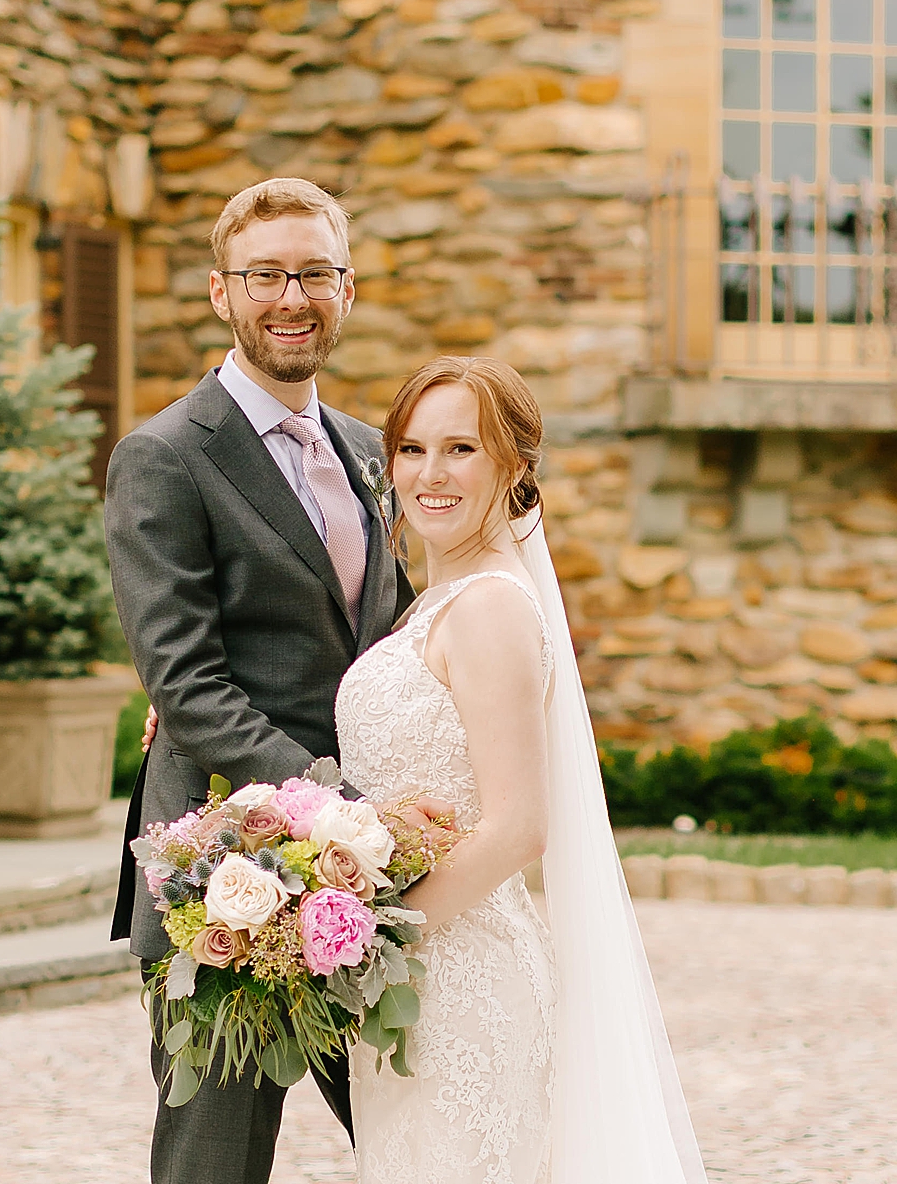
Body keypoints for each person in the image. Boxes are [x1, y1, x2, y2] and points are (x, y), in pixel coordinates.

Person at [103, 177, 449, 1184]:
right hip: (223, 868)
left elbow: (384, 646)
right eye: (265, 276)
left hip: (361, 869)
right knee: (213, 1158)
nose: (290, 298)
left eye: (313, 273)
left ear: (347, 288)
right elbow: (187, 681)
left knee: (416, 1129)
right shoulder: (164, 456)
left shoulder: (362, 448)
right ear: (222, 292)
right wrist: (339, 808)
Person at [332, 355, 709, 1184]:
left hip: (463, 984)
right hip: (415, 984)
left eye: (462, 448)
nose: (431, 473)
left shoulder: (493, 606)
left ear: (515, 468)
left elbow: (517, 828)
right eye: (412, 448)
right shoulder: (441, 599)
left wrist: (369, 943)